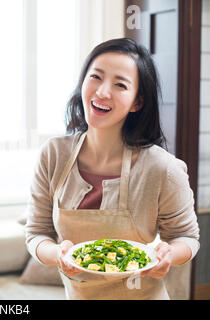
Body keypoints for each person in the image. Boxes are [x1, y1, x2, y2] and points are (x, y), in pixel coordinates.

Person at [25, 38, 200, 300]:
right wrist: (58, 254)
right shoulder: (54, 154)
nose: (103, 92)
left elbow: (187, 237)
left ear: (137, 102)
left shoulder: (163, 168)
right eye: (96, 77)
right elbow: (37, 233)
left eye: (120, 84)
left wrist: (169, 254)